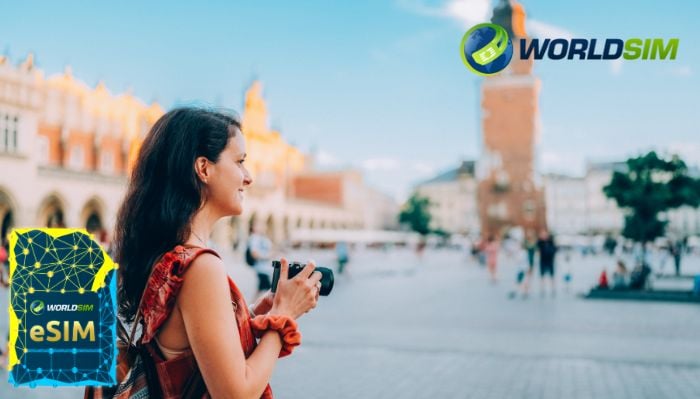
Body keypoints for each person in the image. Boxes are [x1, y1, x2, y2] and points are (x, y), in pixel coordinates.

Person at [93, 108, 322, 398]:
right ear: (203, 169)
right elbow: (235, 393)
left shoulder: (173, 256)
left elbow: (190, 349)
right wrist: (283, 316)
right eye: (240, 162)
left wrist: (253, 313)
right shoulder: (200, 267)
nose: (248, 177)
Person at [247, 222, 273, 299]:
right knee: (271, 292)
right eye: (259, 225)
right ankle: (251, 308)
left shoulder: (260, 238)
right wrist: (267, 256)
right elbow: (254, 254)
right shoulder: (255, 238)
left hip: (264, 269)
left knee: (263, 290)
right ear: (254, 228)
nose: (262, 227)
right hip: (261, 269)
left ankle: (250, 308)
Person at [537, 230, 557, 296]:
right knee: (542, 276)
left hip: (550, 261)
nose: (544, 236)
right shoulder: (539, 242)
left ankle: (553, 289)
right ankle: (542, 289)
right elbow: (538, 251)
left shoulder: (551, 242)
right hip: (542, 261)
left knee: (552, 276)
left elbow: (555, 250)